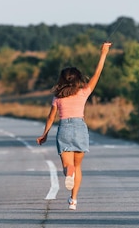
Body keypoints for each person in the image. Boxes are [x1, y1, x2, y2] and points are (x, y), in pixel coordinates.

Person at [36, 41, 112, 211]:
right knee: (78, 166)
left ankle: (68, 172)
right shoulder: (84, 92)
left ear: (62, 80)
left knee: (67, 166)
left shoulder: (58, 97)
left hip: (64, 128)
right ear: (78, 79)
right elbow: (97, 73)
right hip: (80, 128)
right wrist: (103, 53)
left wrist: (45, 134)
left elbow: (50, 117)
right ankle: (73, 200)